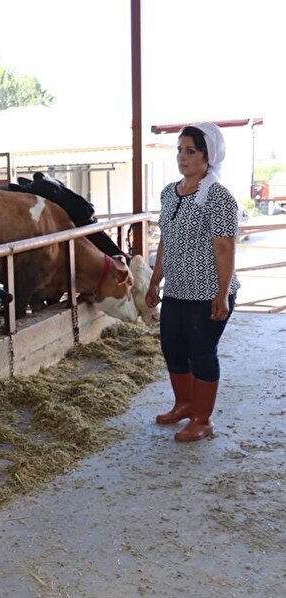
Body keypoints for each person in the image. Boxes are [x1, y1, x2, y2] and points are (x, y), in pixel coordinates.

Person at [145, 122, 240, 442]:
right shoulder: (170, 193)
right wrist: (155, 280)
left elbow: (225, 246)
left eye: (190, 151)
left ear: (208, 156)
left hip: (209, 291)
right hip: (177, 289)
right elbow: (165, 241)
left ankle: (203, 418)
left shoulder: (219, 196)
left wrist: (223, 293)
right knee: (173, 348)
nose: (182, 157)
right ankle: (184, 404)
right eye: (179, 150)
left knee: (202, 351)